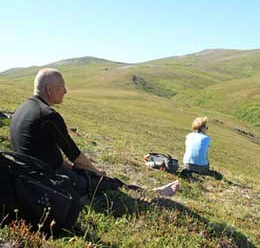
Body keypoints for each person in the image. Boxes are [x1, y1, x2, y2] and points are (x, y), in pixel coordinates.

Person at [10, 68, 179, 197]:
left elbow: (41, 151)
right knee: (106, 183)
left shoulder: (23, 109)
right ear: (49, 89)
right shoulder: (48, 116)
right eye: (62, 87)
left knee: (87, 174)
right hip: (49, 180)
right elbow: (75, 155)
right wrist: (97, 173)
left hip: (28, 175)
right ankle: (153, 193)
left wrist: (74, 168)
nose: (65, 91)